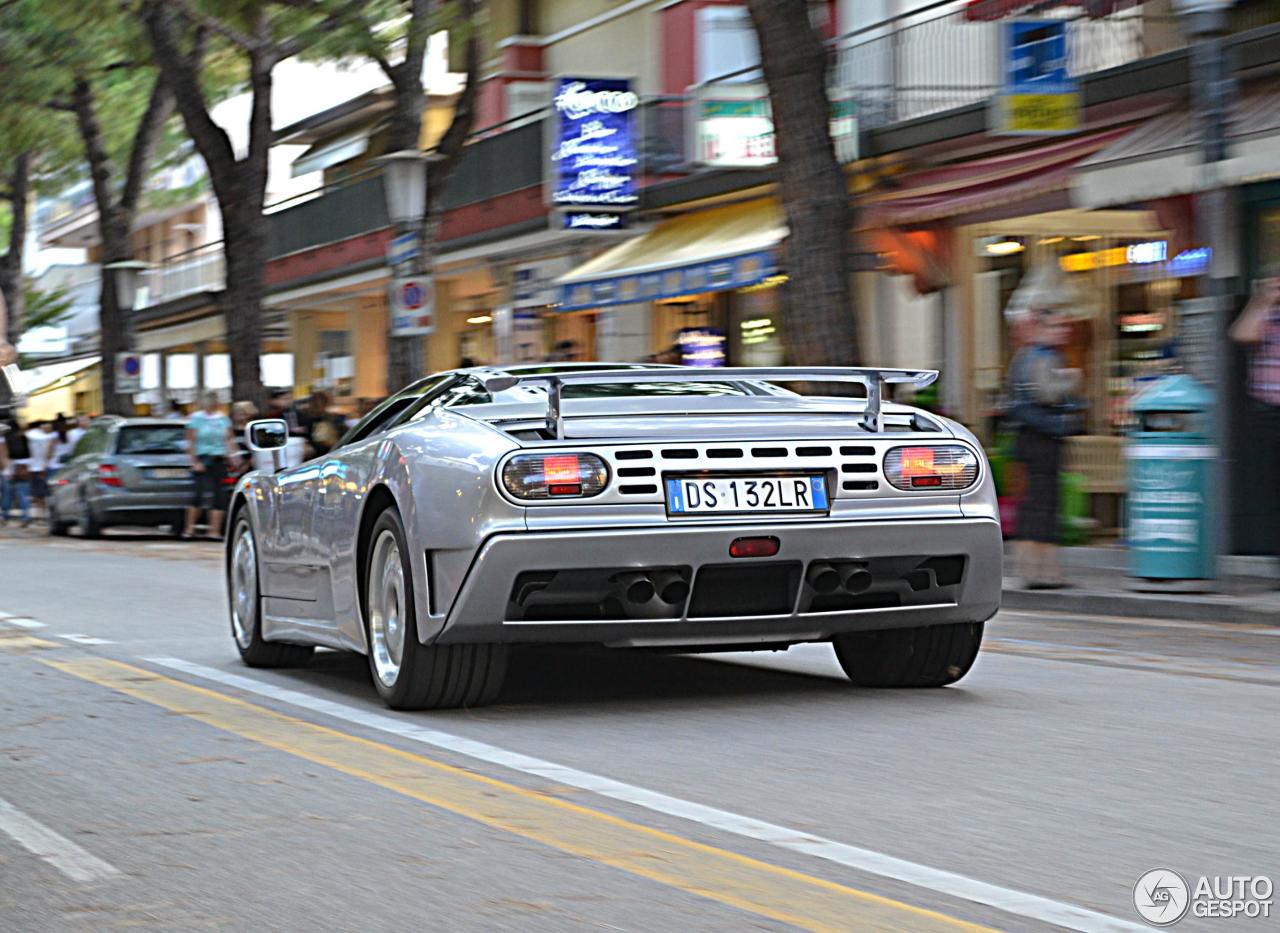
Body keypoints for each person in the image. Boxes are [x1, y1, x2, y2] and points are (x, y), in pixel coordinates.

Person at [1006, 308, 1083, 589]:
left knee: (1036, 504)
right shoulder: (1042, 357)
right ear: (1040, 329)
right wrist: (1071, 379)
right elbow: (1048, 393)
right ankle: (1043, 573)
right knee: (1043, 503)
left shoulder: (1027, 356)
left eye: (1064, 326)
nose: (1063, 331)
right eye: (1056, 326)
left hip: (1031, 438)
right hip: (1042, 439)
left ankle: (1034, 571)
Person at [1230, 276, 1280, 557]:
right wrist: (1263, 300)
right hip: (1267, 411)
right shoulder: (1266, 312)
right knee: (1270, 490)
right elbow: (1242, 334)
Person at [183, 392, 240, 540]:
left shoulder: (223, 419)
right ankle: (189, 529)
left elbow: (229, 439)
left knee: (219, 495)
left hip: (219, 459)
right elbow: (191, 441)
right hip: (202, 458)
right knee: (197, 494)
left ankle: (214, 531)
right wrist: (194, 461)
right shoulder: (196, 419)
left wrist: (234, 457)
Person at [2, 416, 33, 526]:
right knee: (23, 494)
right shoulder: (24, 437)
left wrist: (8, 470)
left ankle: (5, 517)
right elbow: (30, 453)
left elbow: (6, 456)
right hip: (23, 467)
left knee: (8, 494)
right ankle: (26, 516)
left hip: (11, 467)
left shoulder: (7, 438)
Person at [24, 420, 54, 523]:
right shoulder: (46, 437)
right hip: (43, 467)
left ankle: (39, 516)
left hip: (32, 468)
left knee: (35, 494)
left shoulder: (27, 436)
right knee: (44, 493)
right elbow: (49, 454)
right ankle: (44, 515)